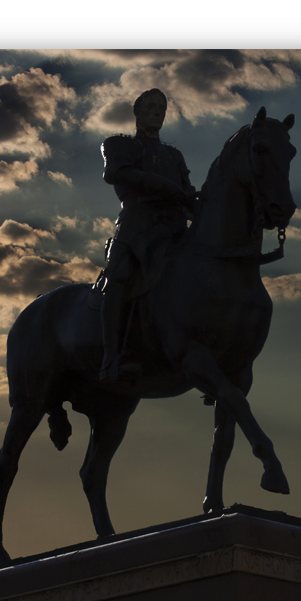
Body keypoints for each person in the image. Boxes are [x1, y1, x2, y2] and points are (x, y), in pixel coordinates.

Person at [98, 88, 197, 382]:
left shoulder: (174, 154)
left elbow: (187, 193)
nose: (157, 111)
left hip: (175, 229)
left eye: (161, 108)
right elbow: (114, 172)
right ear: (137, 112)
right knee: (119, 278)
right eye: (151, 106)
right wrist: (160, 185)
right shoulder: (118, 144)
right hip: (136, 227)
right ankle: (111, 358)